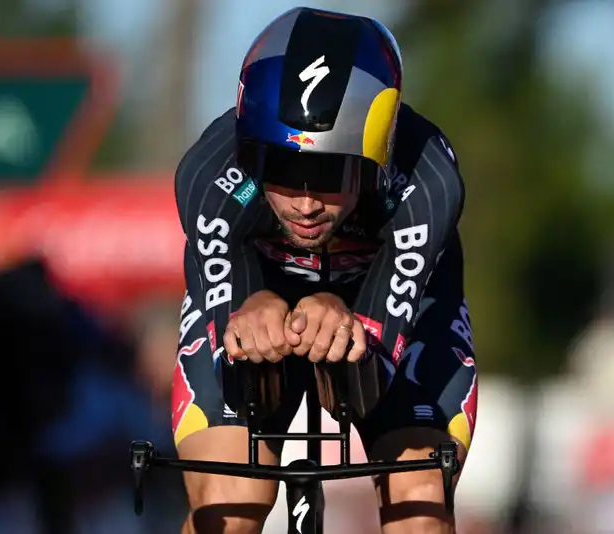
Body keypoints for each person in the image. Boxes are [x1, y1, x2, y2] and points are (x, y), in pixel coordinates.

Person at [172, 7, 476, 534]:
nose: (306, 204)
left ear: (375, 157)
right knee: (228, 504)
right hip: (261, 285)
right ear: (252, 153)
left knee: (418, 504)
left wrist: (345, 317)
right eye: (285, 171)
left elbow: (373, 374)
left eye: (331, 172)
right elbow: (232, 359)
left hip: (391, 309)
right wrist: (250, 313)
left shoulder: (427, 185)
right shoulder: (211, 178)